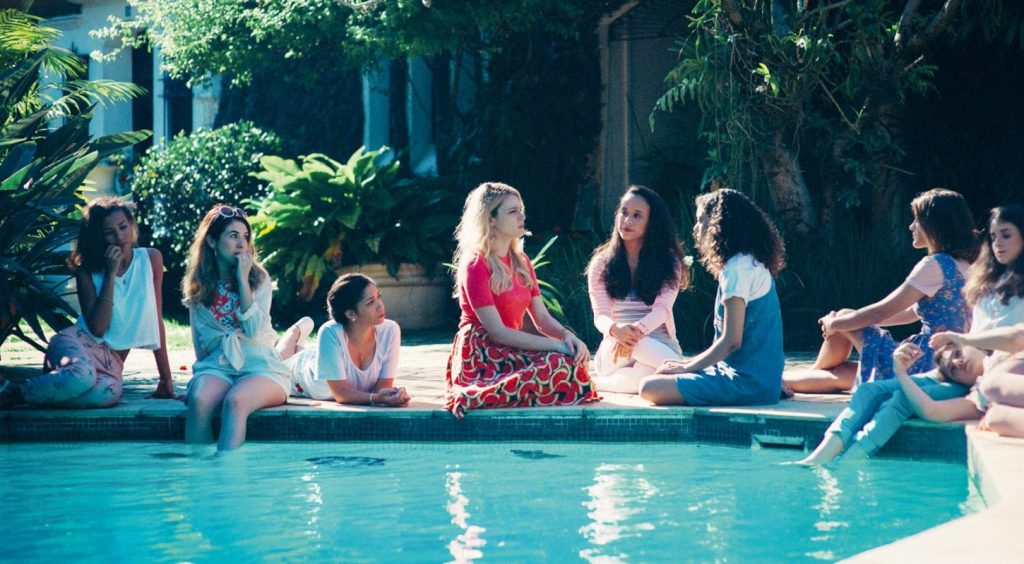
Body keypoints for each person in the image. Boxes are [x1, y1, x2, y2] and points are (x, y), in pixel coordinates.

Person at [794, 207, 1024, 464]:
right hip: (956, 366)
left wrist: (837, 322)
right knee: (869, 390)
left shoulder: (939, 265)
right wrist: (954, 352)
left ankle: (851, 462)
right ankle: (820, 458)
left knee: (901, 398)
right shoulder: (986, 279)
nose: (997, 244)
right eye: (993, 237)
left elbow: (1016, 338)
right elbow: (921, 315)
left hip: (990, 374)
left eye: (1006, 235)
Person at [784, 188, 979, 394]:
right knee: (844, 373)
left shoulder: (934, 265)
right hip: (950, 363)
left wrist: (835, 323)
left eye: (917, 220)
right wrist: (851, 322)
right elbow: (909, 313)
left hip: (922, 360)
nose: (911, 226)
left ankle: (784, 380)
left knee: (844, 316)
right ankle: (781, 383)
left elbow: (881, 311)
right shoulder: (969, 264)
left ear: (934, 225)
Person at [0, 198, 174, 408]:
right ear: (98, 236)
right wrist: (110, 274)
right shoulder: (86, 269)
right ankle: (19, 391)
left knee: (108, 394)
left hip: (112, 364)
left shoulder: (151, 259)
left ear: (132, 225)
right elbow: (98, 328)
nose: (119, 237)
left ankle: (28, 393)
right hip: (77, 344)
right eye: (109, 232)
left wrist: (166, 378)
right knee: (83, 376)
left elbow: (156, 319)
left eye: (123, 227)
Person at [445, 182, 598, 418]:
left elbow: (542, 318)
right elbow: (497, 333)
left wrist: (568, 337)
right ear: (491, 219)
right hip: (481, 352)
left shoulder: (521, 261)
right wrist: (555, 345)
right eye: (512, 211)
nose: (522, 216)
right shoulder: (476, 264)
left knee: (567, 362)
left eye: (521, 210)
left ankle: (517, 390)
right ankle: (478, 394)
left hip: (511, 346)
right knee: (558, 362)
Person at [639, 188, 786, 406]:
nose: (696, 228)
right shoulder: (748, 262)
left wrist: (686, 367)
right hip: (757, 382)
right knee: (663, 373)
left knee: (649, 387)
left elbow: (731, 341)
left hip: (745, 384)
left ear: (718, 225)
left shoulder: (736, 271)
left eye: (701, 221)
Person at [182, 204, 288, 451]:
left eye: (245, 236)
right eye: (233, 236)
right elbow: (201, 344)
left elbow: (253, 331)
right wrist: (201, 381)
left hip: (261, 368)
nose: (242, 244)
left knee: (235, 402)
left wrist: (242, 279)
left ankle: (228, 471)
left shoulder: (259, 279)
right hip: (219, 367)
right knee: (199, 400)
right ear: (212, 241)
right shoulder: (199, 283)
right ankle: (196, 469)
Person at [586, 185, 690, 393]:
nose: (627, 220)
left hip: (660, 345)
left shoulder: (669, 262)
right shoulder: (601, 264)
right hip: (614, 348)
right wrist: (617, 330)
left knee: (644, 379)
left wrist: (636, 332)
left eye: (637, 215)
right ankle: (690, 373)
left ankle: (594, 384)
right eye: (623, 212)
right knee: (670, 369)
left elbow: (662, 310)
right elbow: (600, 316)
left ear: (651, 222)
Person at [278, 273, 409, 407]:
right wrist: (376, 398)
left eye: (379, 297)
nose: (380, 306)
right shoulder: (330, 332)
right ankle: (294, 332)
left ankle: (299, 342)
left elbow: (381, 390)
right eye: (370, 302)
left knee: (300, 353)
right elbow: (341, 394)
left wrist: (393, 395)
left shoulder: (390, 330)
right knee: (277, 364)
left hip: (324, 357)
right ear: (351, 314)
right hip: (300, 373)